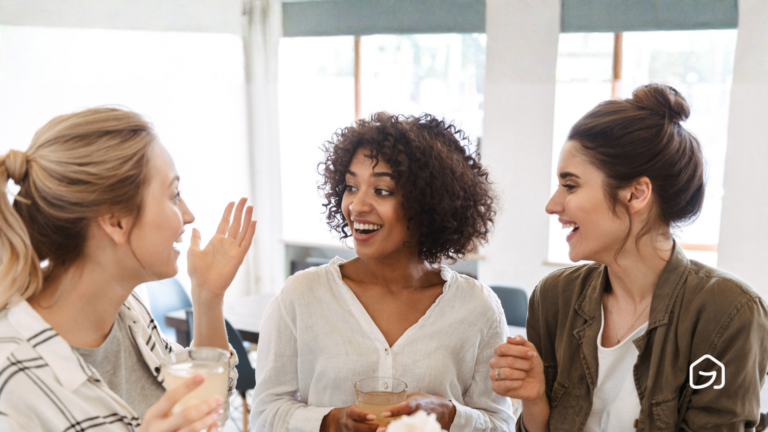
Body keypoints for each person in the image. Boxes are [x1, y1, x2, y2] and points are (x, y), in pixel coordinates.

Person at [489, 83, 768, 431]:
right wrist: (533, 399)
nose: (553, 205)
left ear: (636, 194)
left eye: (571, 185)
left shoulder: (729, 311)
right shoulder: (554, 297)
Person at [252, 113, 514, 432]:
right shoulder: (302, 295)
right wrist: (330, 422)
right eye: (351, 187)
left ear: (427, 204)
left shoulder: (478, 308)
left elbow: (500, 424)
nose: (357, 205)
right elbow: (265, 414)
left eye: (382, 191)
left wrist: (449, 414)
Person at [0, 107, 256, 431]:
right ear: (115, 221)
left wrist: (208, 296)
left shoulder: (129, 314)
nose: (188, 215)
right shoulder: (13, 378)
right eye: (174, 194)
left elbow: (203, 400)